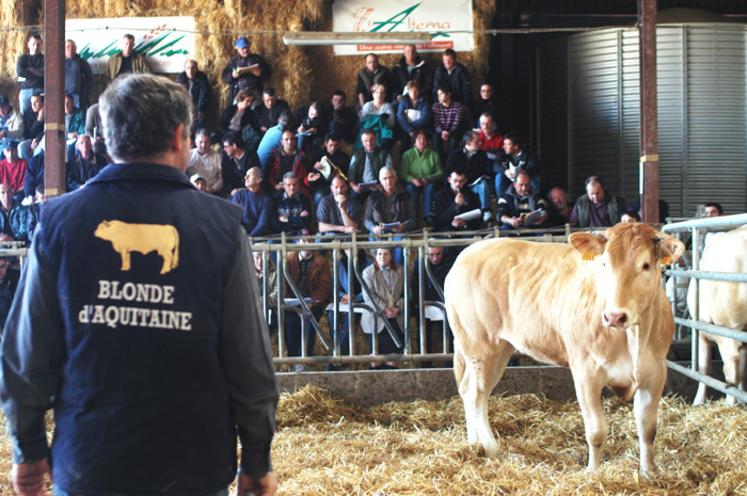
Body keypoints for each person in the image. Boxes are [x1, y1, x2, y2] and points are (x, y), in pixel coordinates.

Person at [0, 73, 278, 496]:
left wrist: (28, 448)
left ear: (109, 139)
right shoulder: (222, 227)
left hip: (90, 465)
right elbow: (248, 356)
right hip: (193, 469)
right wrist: (257, 457)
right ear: (180, 137)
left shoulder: (59, 222)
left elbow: (26, 351)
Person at [283, 239, 332, 363]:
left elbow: (324, 287)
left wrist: (313, 302)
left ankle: (307, 359)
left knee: (310, 324)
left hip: (312, 303)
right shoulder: (288, 260)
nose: (307, 244)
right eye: (303, 240)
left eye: (310, 241)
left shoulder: (322, 262)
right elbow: (283, 284)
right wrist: (289, 301)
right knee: (289, 323)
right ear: (298, 242)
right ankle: (292, 360)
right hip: (293, 303)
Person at [361, 247, 404, 367]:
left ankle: (392, 383)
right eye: (379, 254)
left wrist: (398, 307)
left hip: (395, 318)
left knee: (393, 358)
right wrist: (385, 309)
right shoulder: (368, 272)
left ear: (391, 256)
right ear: (375, 256)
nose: (382, 257)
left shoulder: (401, 270)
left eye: (386, 254)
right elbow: (369, 296)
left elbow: (407, 293)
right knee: (376, 359)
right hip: (376, 318)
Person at [445, 130, 492, 223]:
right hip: (458, 184)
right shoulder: (454, 154)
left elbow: (483, 171)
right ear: (468, 142)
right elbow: (448, 172)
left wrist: (467, 179)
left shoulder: (482, 154)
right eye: (477, 141)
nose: (480, 143)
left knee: (483, 184)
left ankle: (486, 211)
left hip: (473, 184)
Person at [399, 130, 443, 219]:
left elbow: (440, 173)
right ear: (414, 142)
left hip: (428, 182)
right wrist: (412, 179)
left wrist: (428, 178)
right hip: (412, 182)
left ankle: (428, 217)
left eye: (424, 139)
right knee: (410, 189)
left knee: (430, 188)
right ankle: (412, 217)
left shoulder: (434, 155)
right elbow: (402, 173)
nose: (422, 141)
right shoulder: (407, 155)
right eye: (419, 139)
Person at [221, 36, 271, 102]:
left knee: (256, 107)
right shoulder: (233, 62)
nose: (245, 50)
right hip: (239, 91)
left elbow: (268, 73)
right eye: (243, 48)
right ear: (237, 49)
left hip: (255, 91)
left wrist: (260, 73)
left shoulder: (257, 59)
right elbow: (224, 76)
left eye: (247, 47)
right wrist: (232, 75)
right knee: (237, 108)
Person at [230, 166, 274, 237]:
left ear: (259, 180)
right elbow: (234, 218)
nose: (245, 178)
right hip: (240, 235)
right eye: (245, 175)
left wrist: (249, 237)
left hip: (259, 237)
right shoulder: (239, 195)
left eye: (249, 175)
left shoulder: (266, 199)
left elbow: (262, 224)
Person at [308, 134, 350, 205]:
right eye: (331, 145)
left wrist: (338, 174)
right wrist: (314, 168)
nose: (333, 148)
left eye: (336, 145)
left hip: (338, 185)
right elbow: (309, 172)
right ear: (325, 143)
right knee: (319, 196)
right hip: (322, 184)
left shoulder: (344, 157)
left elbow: (346, 175)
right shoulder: (318, 154)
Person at [348, 129, 392, 195]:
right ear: (362, 142)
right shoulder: (356, 155)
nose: (369, 143)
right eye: (365, 141)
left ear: (376, 139)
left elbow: (389, 172)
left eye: (371, 140)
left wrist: (382, 185)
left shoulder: (384, 154)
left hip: (379, 186)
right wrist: (354, 186)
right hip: (360, 187)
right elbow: (351, 175)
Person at [495, 132, 540, 197]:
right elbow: (496, 165)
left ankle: (535, 202)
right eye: (504, 144)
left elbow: (535, 166)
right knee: (499, 177)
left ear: (516, 146)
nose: (504, 147)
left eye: (507, 144)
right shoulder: (503, 153)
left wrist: (524, 172)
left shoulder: (529, 154)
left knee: (534, 180)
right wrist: (506, 171)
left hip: (525, 179)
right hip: (509, 179)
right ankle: (502, 202)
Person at [176, 59, 211, 135]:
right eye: (188, 68)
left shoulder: (202, 78)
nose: (190, 71)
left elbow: (203, 95)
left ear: (197, 68)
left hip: (197, 104)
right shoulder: (181, 77)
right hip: (185, 105)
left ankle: (199, 137)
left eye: (193, 68)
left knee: (200, 120)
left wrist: (200, 110)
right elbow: (179, 94)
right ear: (185, 69)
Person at [396, 81, 431, 150]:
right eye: (411, 91)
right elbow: (400, 116)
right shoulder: (403, 100)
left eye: (415, 90)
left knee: (420, 139)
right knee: (405, 141)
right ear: (408, 91)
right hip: (406, 129)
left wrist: (412, 128)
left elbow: (425, 117)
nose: (413, 93)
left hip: (420, 128)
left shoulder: (424, 101)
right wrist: (409, 130)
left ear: (419, 91)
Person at [186, 129, 223, 195]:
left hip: (212, 192)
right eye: (200, 142)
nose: (203, 145)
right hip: (192, 192)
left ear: (210, 142)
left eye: (206, 142)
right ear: (195, 142)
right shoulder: (188, 155)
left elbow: (221, 179)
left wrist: (212, 189)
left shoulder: (218, 157)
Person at [431, 86, 463, 160]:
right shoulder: (436, 106)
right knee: (435, 140)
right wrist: (442, 132)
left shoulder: (457, 106)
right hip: (440, 131)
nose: (438, 97)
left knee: (454, 142)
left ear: (448, 94)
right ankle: (441, 162)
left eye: (441, 94)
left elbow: (456, 123)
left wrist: (449, 132)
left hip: (452, 131)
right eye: (438, 95)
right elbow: (436, 122)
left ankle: (450, 161)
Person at [16, 32, 44, 116]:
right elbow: (20, 71)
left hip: (40, 89)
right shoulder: (22, 58)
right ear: (28, 44)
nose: (36, 47)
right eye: (33, 44)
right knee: (23, 114)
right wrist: (37, 73)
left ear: (41, 45)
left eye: (38, 44)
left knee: (42, 113)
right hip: (25, 90)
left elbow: (45, 72)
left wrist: (30, 70)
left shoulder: (44, 58)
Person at [64, 39, 93, 110]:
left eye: (72, 47)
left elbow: (90, 79)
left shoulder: (82, 62)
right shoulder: (59, 63)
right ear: (64, 49)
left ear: (76, 48)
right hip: (64, 98)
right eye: (68, 47)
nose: (70, 48)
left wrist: (85, 95)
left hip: (78, 97)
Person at [0, 256, 19, 329]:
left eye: (2, 267)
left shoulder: (15, 276)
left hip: (11, 321)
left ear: (7, 265)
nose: (0, 271)